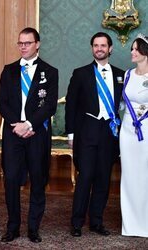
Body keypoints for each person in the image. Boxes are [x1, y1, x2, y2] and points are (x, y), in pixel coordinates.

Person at [0, 27, 58, 243]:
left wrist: (30, 123)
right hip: (14, 133)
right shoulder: (9, 70)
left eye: (27, 43)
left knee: (38, 180)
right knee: (11, 180)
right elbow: (2, 102)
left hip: (37, 133)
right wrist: (17, 124)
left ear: (37, 44)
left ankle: (34, 228)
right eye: (20, 43)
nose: (23, 46)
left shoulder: (50, 72)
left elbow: (50, 105)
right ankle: (12, 227)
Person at [65, 32, 124, 237]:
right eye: (96, 45)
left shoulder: (121, 75)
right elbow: (70, 106)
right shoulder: (80, 73)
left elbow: (125, 104)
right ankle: (77, 222)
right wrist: (70, 134)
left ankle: (97, 222)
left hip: (109, 133)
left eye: (103, 45)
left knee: (103, 179)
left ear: (110, 48)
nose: (99, 48)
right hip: (87, 131)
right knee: (85, 177)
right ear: (92, 48)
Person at [120, 34, 148, 237]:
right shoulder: (128, 74)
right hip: (128, 130)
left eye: (136, 49)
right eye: (132, 49)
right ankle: (130, 225)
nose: (132, 52)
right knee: (129, 175)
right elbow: (121, 102)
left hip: (146, 128)